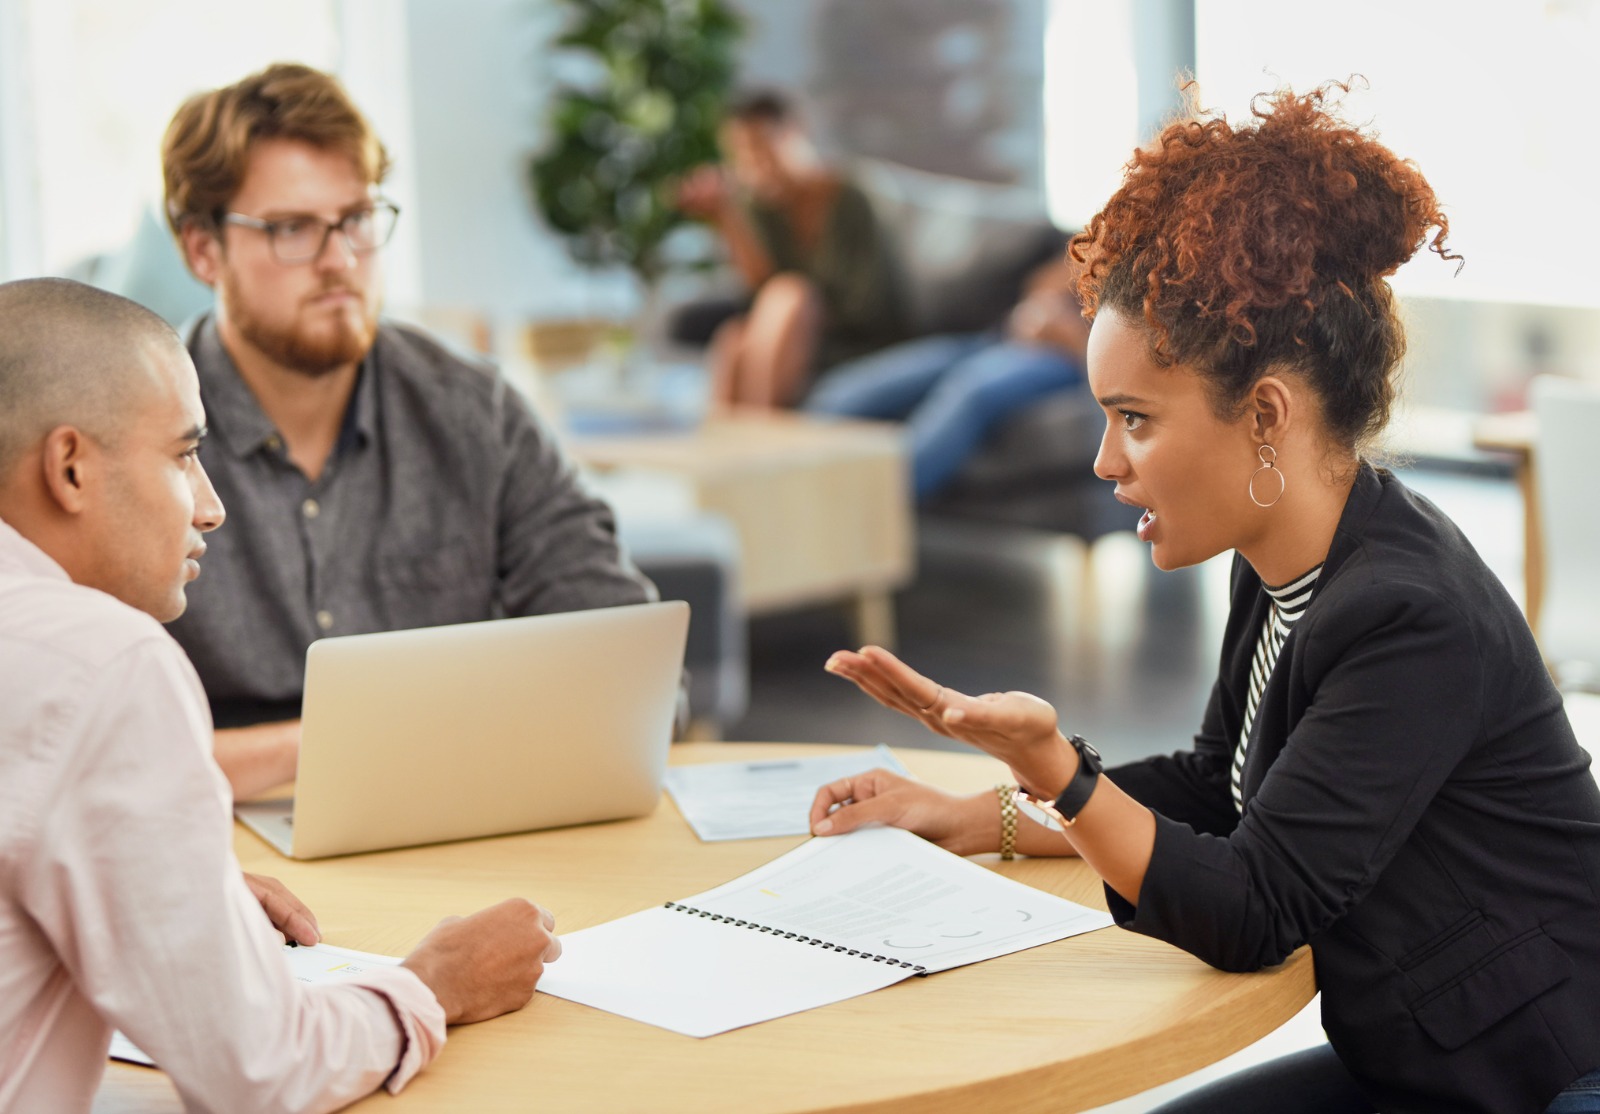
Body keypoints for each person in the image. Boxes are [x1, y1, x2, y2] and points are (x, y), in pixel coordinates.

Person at [808, 84, 1600, 1113]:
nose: (1104, 460)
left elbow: (1254, 908)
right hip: (1428, 1052)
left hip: (1543, 1072)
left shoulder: (1408, 614)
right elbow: (1215, 785)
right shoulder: (1284, 561)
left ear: (1265, 414)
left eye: (1133, 419)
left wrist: (1055, 766)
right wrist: (971, 813)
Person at [0, 277, 560, 1114]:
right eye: (184, 455)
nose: (211, 506)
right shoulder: (106, 661)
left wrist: (164, 878)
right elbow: (259, 1072)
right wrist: (435, 984)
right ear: (70, 467)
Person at [158, 63, 659, 799]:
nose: (340, 261)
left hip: (449, 812)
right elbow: (75, 743)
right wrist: (327, 748)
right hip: (215, 849)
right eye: (293, 229)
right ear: (204, 250)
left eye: (357, 219)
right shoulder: (135, 436)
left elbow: (626, 666)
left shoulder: (471, 408)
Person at [676, 90, 908, 409]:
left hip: (857, 340)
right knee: (733, 338)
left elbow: (857, 306)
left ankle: (764, 436)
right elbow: (760, 291)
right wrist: (726, 219)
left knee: (790, 296)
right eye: (740, 154)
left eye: (761, 147)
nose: (753, 164)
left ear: (794, 133)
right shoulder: (760, 208)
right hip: (791, 337)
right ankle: (721, 451)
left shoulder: (846, 197)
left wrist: (791, 310)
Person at [803, 254, 1087, 501]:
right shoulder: (1102, 234)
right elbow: (1047, 280)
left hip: (1066, 358)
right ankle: (789, 474)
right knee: (846, 391)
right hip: (1000, 338)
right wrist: (1040, 310)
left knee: (971, 388)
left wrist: (1064, 332)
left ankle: (874, 502)